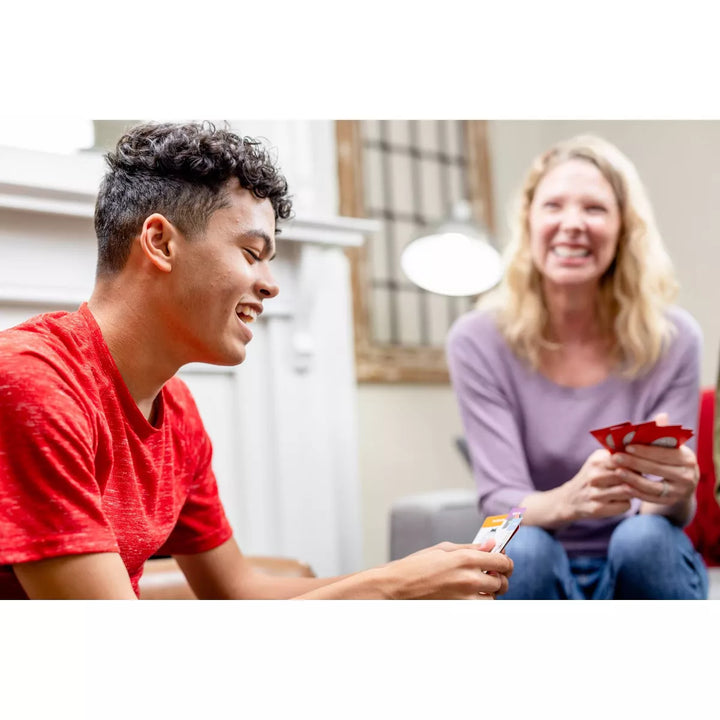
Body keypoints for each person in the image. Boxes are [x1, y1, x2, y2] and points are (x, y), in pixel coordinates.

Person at [0, 121, 513, 600]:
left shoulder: (175, 412)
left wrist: (424, 574)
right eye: (251, 253)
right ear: (159, 243)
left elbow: (238, 591)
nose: (271, 284)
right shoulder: (32, 381)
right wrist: (392, 586)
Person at [446, 134, 708, 599]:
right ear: (528, 221)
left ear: (624, 228)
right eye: (553, 207)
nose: (572, 224)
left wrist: (679, 492)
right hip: (534, 561)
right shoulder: (477, 340)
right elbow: (499, 502)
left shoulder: (674, 339)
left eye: (594, 209)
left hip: (641, 554)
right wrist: (573, 499)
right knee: (522, 546)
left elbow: (660, 514)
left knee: (644, 539)